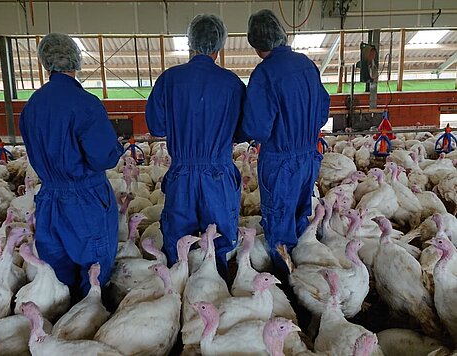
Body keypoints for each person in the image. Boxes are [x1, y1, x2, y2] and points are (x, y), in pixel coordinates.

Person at [19, 33, 123, 300]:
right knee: (94, 270)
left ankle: (63, 323)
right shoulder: (85, 104)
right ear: (76, 61)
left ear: (46, 63)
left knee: (57, 274)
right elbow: (104, 157)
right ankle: (88, 323)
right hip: (85, 200)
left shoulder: (31, 107)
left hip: (49, 199)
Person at [146, 14, 245, 277]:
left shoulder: (169, 80)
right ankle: (216, 287)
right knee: (218, 243)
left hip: (182, 176)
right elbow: (244, 130)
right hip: (218, 175)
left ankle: (179, 296)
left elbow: (156, 127)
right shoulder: (232, 83)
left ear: (191, 43)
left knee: (178, 243)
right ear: (219, 45)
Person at [240, 10, 330, 274]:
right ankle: (305, 268)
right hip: (308, 158)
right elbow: (323, 112)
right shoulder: (307, 65)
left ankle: (286, 281)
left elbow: (257, 127)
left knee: (279, 223)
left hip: (280, 162)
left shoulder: (264, 74)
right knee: (301, 215)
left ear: (256, 45)